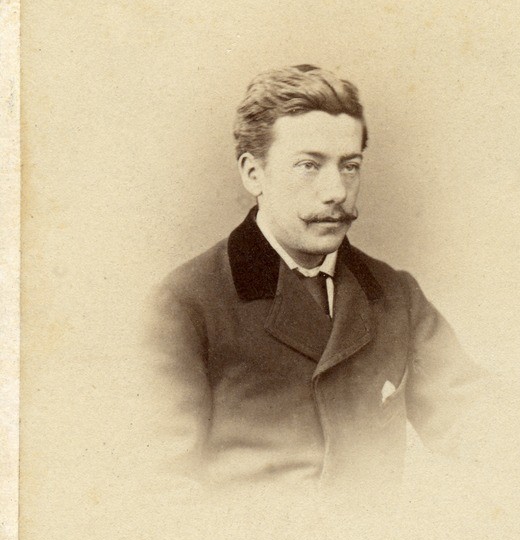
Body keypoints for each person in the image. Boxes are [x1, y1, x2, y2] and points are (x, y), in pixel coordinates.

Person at [147, 65, 483, 496]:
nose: (336, 191)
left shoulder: (395, 295)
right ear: (253, 173)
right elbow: (161, 486)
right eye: (309, 165)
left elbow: (480, 423)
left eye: (350, 166)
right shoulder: (185, 304)